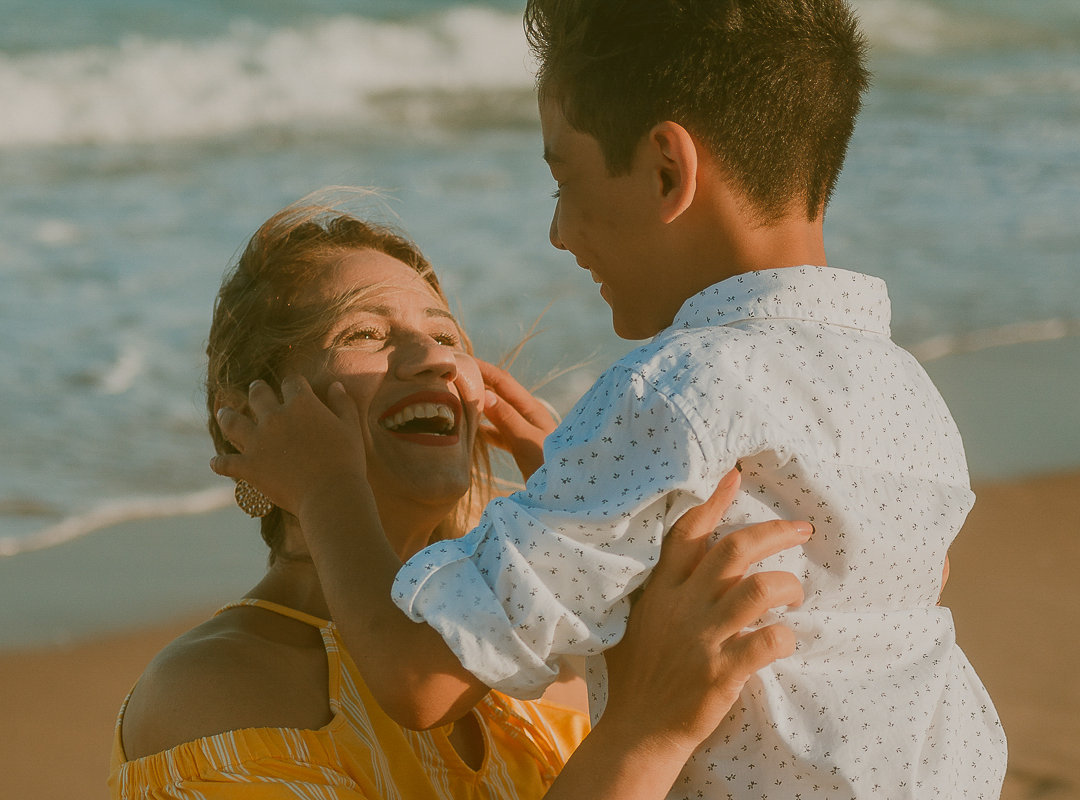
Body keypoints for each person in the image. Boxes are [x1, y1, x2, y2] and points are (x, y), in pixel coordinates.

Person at [213, 1, 1007, 798]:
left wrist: (326, 488)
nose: (559, 232)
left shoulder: (668, 393)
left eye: (565, 181)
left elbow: (420, 679)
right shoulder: (906, 392)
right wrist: (579, 486)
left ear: (667, 170)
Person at [111, 204, 811, 799]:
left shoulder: (533, 675)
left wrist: (594, 516)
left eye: (445, 335)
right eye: (364, 334)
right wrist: (643, 732)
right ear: (247, 416)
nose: (435, 358)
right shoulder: (214, 690)